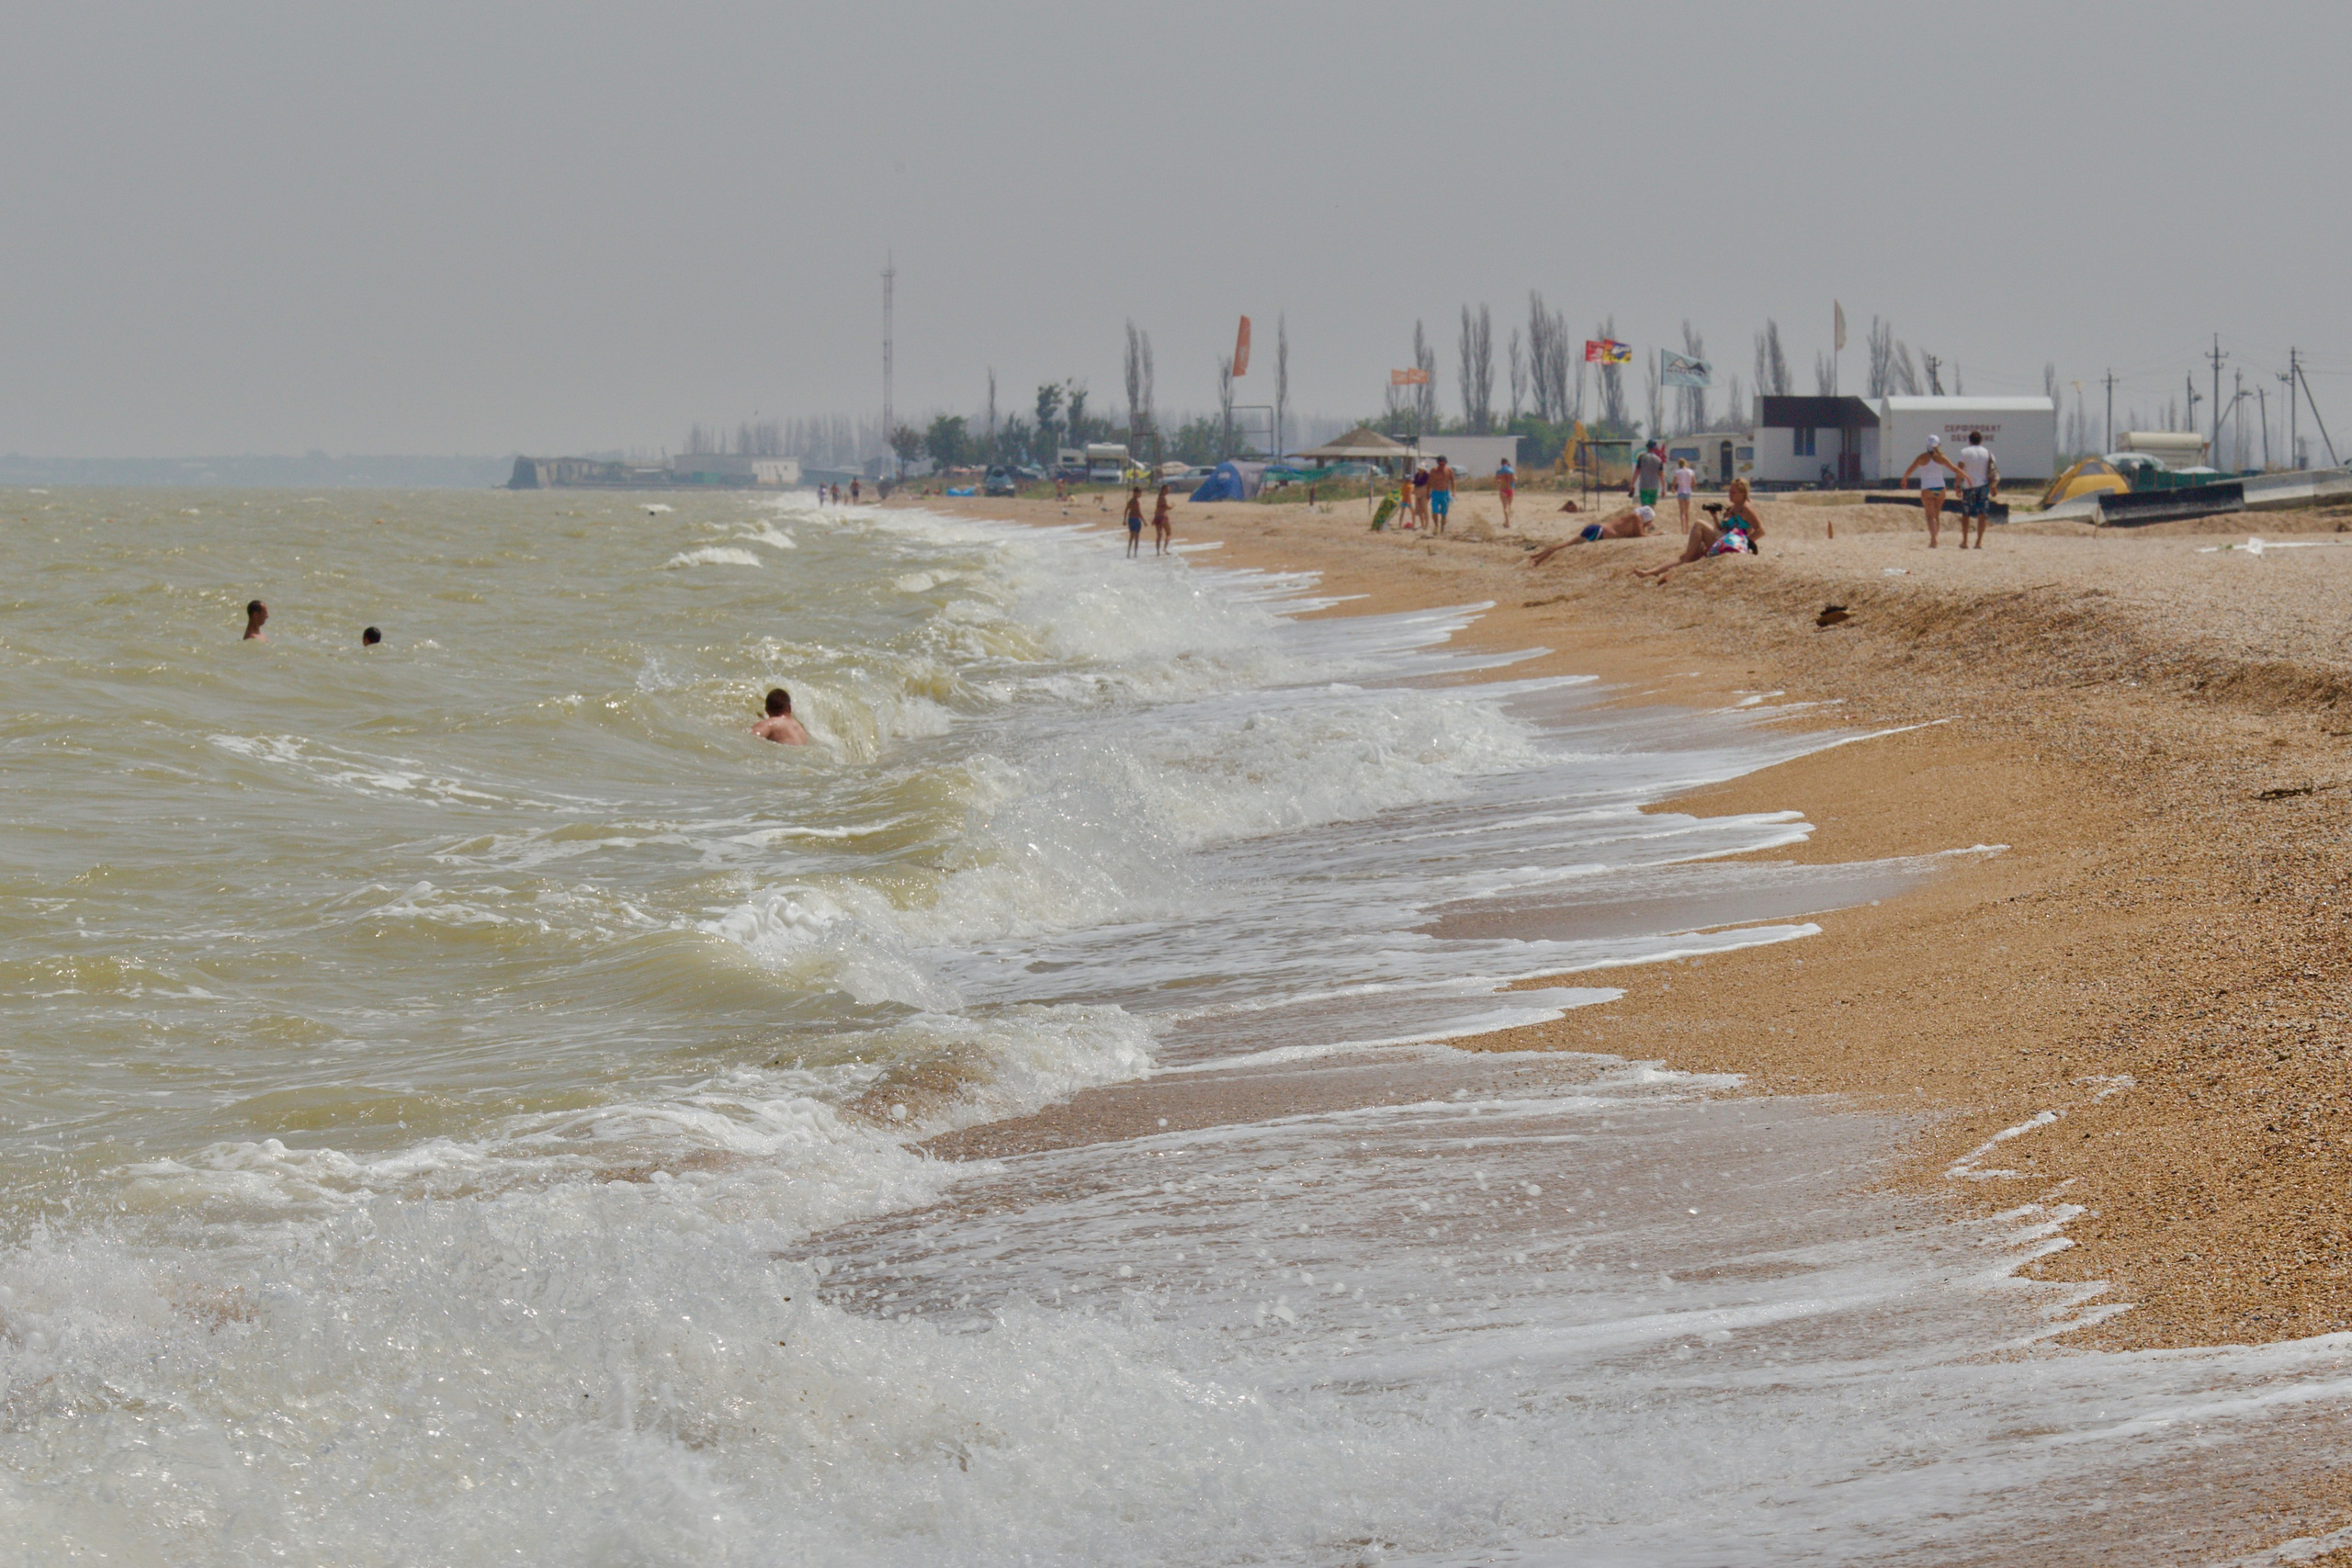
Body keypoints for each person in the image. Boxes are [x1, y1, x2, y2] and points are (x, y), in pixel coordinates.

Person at [1634, 479, 1765, 582]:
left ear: (1743, 493)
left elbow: (1761, 530)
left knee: (1698, 525)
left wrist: (1746, 542)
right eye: (1730, 491)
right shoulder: (1732, 507)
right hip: (1723, 540)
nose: (1730, 494)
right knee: (1690, 555)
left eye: (1734, 492)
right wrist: (1714, 517)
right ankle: (1653, 572)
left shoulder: (1746, 508)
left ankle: (1660, 572)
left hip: (1733, 544)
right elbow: (1721, 528)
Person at [1525, 504, 1658, 566]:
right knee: (1565, 545)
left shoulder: (1635, 517)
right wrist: (1657, 535)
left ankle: (1536, 556)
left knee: (1567, 544)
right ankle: (1537, 560)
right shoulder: (1637, 518)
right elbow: (1639, 535)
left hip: (1597, 530)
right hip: (1597, 532)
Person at [1902, 434, 1963, 548]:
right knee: (1936, 515)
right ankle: (1933, 539)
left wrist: (1905, 479)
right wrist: (1967, 477)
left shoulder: (1922, 457)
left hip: (1928, 489)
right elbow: (1954, 468)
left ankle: (1934, 540)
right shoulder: (1941, 457)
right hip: (1940, 489)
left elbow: (1911, 468)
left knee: (1930, 516)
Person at [1955, 431, 1998, 549]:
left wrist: (1957, 485)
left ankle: (1965, 541)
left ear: (1969, 440)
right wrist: (1994, 488)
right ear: (1981, 441)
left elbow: (1959, 470)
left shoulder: (1964, 452)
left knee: (1966, 514)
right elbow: (1992, 472)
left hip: (1969, 486)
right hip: (1984, 486)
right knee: (1982, 514)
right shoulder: (1989, 453)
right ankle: (1978, 542)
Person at [1633, 441, 1666, 510]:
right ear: (1655, 448)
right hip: (1654, 487)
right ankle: (1650, 521)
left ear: (1647, 447)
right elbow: (1661, 475)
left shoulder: (1641, 458)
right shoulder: (1659, 460)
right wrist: (1663, 488)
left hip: (1644, 486)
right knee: (1651, 509)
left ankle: (1646, 520)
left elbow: (1637, 472)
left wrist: (1632, 484)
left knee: (1644, 509)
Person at [1429, 455, 1455, 534]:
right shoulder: (1433, 470)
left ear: (1445, 463)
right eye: (1440, 464)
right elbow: (1429, 482)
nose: (1441, 466)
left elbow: (1453, 481)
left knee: (1444, 514)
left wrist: (1454, 492)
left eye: (1443, 464)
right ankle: (1436, 525)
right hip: (1435, 493)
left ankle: (1442, 527)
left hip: (1445, 493)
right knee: (1435, 511)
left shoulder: (1449, 470)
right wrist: (1427, 492)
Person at [1672, 457, 1696, 528]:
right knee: (1687, 512)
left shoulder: (1678, 472)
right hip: (1688, 492)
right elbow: (1694, 483)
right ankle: (1687, 529)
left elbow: (1674, 483)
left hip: (1680, 492)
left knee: (1682, 512)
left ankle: (1683, 529)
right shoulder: (1691, 471)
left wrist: (1673, 488)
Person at [1150, 483, 1172, 556]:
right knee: (1168, 533)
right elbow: (1167, 507)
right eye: (1167, 490)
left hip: (1157, 518)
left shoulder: (1159, 498)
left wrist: (1154, 518)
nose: (1168, 491)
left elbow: (1158, 508)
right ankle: (1165, 548)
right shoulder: (1163, 498)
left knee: (1159, 535)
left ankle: (1158, 552)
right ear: (1163, 490)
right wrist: (1172, 506)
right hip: (1163, 517)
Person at [1123, 485, 1145, 558]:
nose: (1140, 494)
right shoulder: (1134, 502)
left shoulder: (1133, 501)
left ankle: (1132, 552)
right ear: (1135, 493)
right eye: (1139, 493)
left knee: (1134, 537)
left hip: (1133, 519)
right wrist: (1144, 521)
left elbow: (1126, 510)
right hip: (1134, 519)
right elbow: (1138, 512)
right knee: (1134, 537)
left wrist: (1125, 520)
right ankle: (1132, 553)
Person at [1410, 464, 1431, 529]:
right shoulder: (1417, 475)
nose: (1419, 470)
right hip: (1417, 493)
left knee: (1425, 509)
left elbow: (1428, 484)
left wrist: (1429, 493)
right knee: (1419, 510)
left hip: (1424, 493)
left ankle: (1426, 525)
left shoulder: (1427, 476)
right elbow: (1414, 483)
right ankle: (1422, 524)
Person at [1496, 458, 1515, 530]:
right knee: (1508, 506)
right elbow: (1514, 479)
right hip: (1510, 490)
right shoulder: (1511, 471)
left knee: (1505, 507)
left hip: (1503, 490)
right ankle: (1506, 522)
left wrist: (1500, 482)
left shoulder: (1499, 472)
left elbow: (1497, 481)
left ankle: (1507, 522)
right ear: (1507, 463)